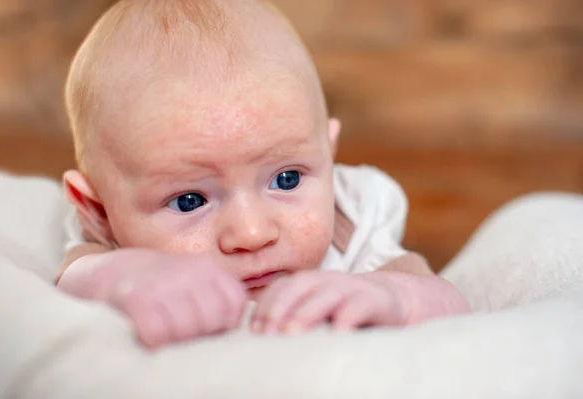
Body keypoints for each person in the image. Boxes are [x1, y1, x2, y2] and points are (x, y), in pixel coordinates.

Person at [56, 0, 469, 348]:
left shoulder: (352, 216)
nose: (252, 234)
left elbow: (448, 303)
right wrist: (129, 278)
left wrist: (391, 296)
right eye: (190, 201)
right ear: (97, 210)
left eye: (286, 179)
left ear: (329, 153)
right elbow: (76, 279)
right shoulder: (112, 243)